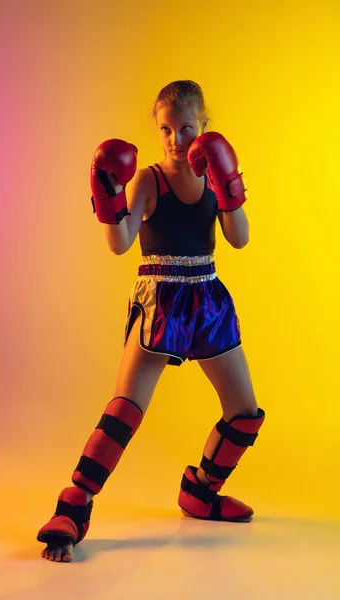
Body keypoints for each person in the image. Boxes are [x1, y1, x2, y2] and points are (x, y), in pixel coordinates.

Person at [37, 80, 265, 562]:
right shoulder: (148, 179)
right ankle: (74, 506)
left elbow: (239, 239)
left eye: (186, 128)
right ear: (158, 131)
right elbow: (120, 243)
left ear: (203, 126)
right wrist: (107, 193)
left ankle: (200, 492)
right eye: (166, 130)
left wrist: (228, 186)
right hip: (160, 297)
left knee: (244, 412)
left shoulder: (213, 173)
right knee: (126, 407)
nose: (176, 141)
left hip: (206, 296)